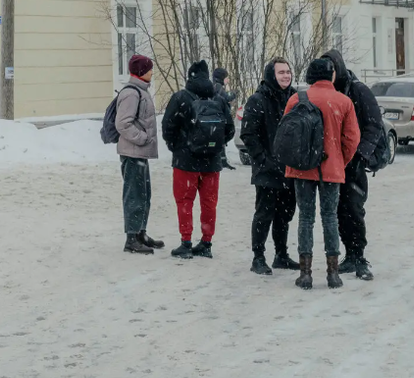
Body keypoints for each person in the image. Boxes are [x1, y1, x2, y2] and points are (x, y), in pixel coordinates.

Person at [283, 57, 360, 290]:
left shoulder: (296, 99)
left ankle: (305, 274)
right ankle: (333, 273)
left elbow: (286, 135)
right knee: (330, 218)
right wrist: (339, 160)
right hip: (331, 169)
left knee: (305, 218)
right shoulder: (344, 101)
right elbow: (352, 138)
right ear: (332, 76)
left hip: (302, 168)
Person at [162, 60, 235, 260]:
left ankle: (186, 242)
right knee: (209, 203)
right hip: (211, 162)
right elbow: (229, 129)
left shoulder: (181, 98)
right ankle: (206, 242)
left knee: (185, 201)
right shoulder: (218, 99)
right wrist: (214, 146)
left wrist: (177, 146)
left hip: (186, 161)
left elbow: (168, 126)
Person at [324, 49, 385, 282]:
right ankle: (349, 253)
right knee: (339, 209)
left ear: (338, 67)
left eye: (332, 69)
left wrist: (360, 154)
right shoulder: (328, 92)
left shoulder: (358, 90)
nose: (330, 74)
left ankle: (359, 255)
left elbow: (373, 124)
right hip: (335, 161)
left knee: (354, 208)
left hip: (354, 161)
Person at [240, 58, 298, 275]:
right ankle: (258, 256)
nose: (286, 75)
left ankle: (281, 255)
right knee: (264, 214)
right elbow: (248, 134)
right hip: (267, 170)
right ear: (271, 75)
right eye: (281, 72)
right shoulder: (258, 100)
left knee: (285, 214)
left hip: (290, 169)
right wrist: (263, 159)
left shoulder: (294, 97)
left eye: (288, 71)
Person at [115, 55, 163, 255]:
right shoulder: (132, 94)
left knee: (144, 194)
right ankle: (132, 238)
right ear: (142, 72)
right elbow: (123, 123)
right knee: (134, 195)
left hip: (139, 153)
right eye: (150, 69)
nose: (152, 72)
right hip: (133, 152)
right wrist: (142, 138)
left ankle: (141, 232)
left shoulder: (141, 91)